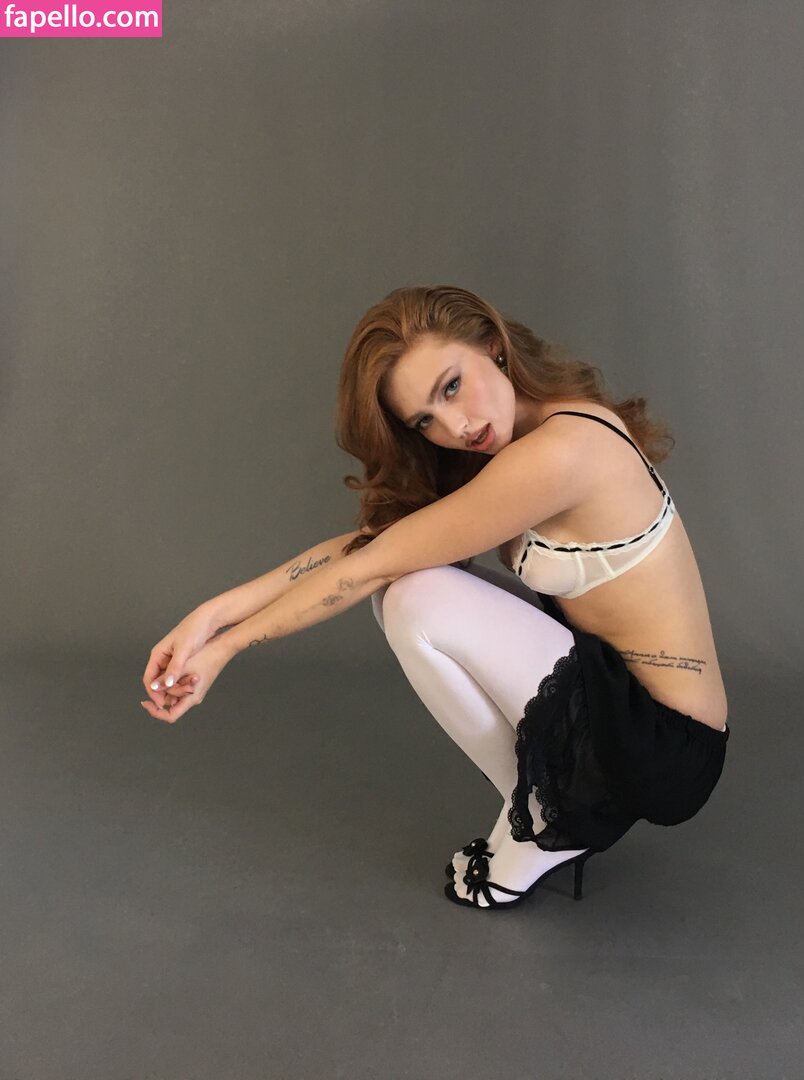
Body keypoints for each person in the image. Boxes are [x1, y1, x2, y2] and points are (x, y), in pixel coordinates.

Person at [141, 284, 730, 912]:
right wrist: (212, 616)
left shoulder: (562, 450)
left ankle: (549, 821)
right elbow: (369, 549)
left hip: (667, 745)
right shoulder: (506, 437)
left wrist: (227, 649)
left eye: (451, 387)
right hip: (611, 691)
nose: (455, 427)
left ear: (492, 345)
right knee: (401, 588)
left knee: (415, 595)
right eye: (425, 420)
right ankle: (543, 804)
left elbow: (368, 567)